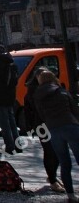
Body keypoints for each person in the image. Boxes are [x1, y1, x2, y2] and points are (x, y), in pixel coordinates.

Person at [35, 70, 79, 202]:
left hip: (53, 129)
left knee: (64, 162)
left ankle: (70, 195)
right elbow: (74, 110)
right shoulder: (61, 91)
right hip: (70, 125)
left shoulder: (38, 95)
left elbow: (41, 114)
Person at [24, 67, 65, 193]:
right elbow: (29, 112)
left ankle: (52, 176)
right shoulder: (33, 92)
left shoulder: (54, 88)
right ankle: (52, 180)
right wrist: (31, 128)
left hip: (54, 123)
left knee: (57, 152)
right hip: (42, 125)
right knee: (50, 152)